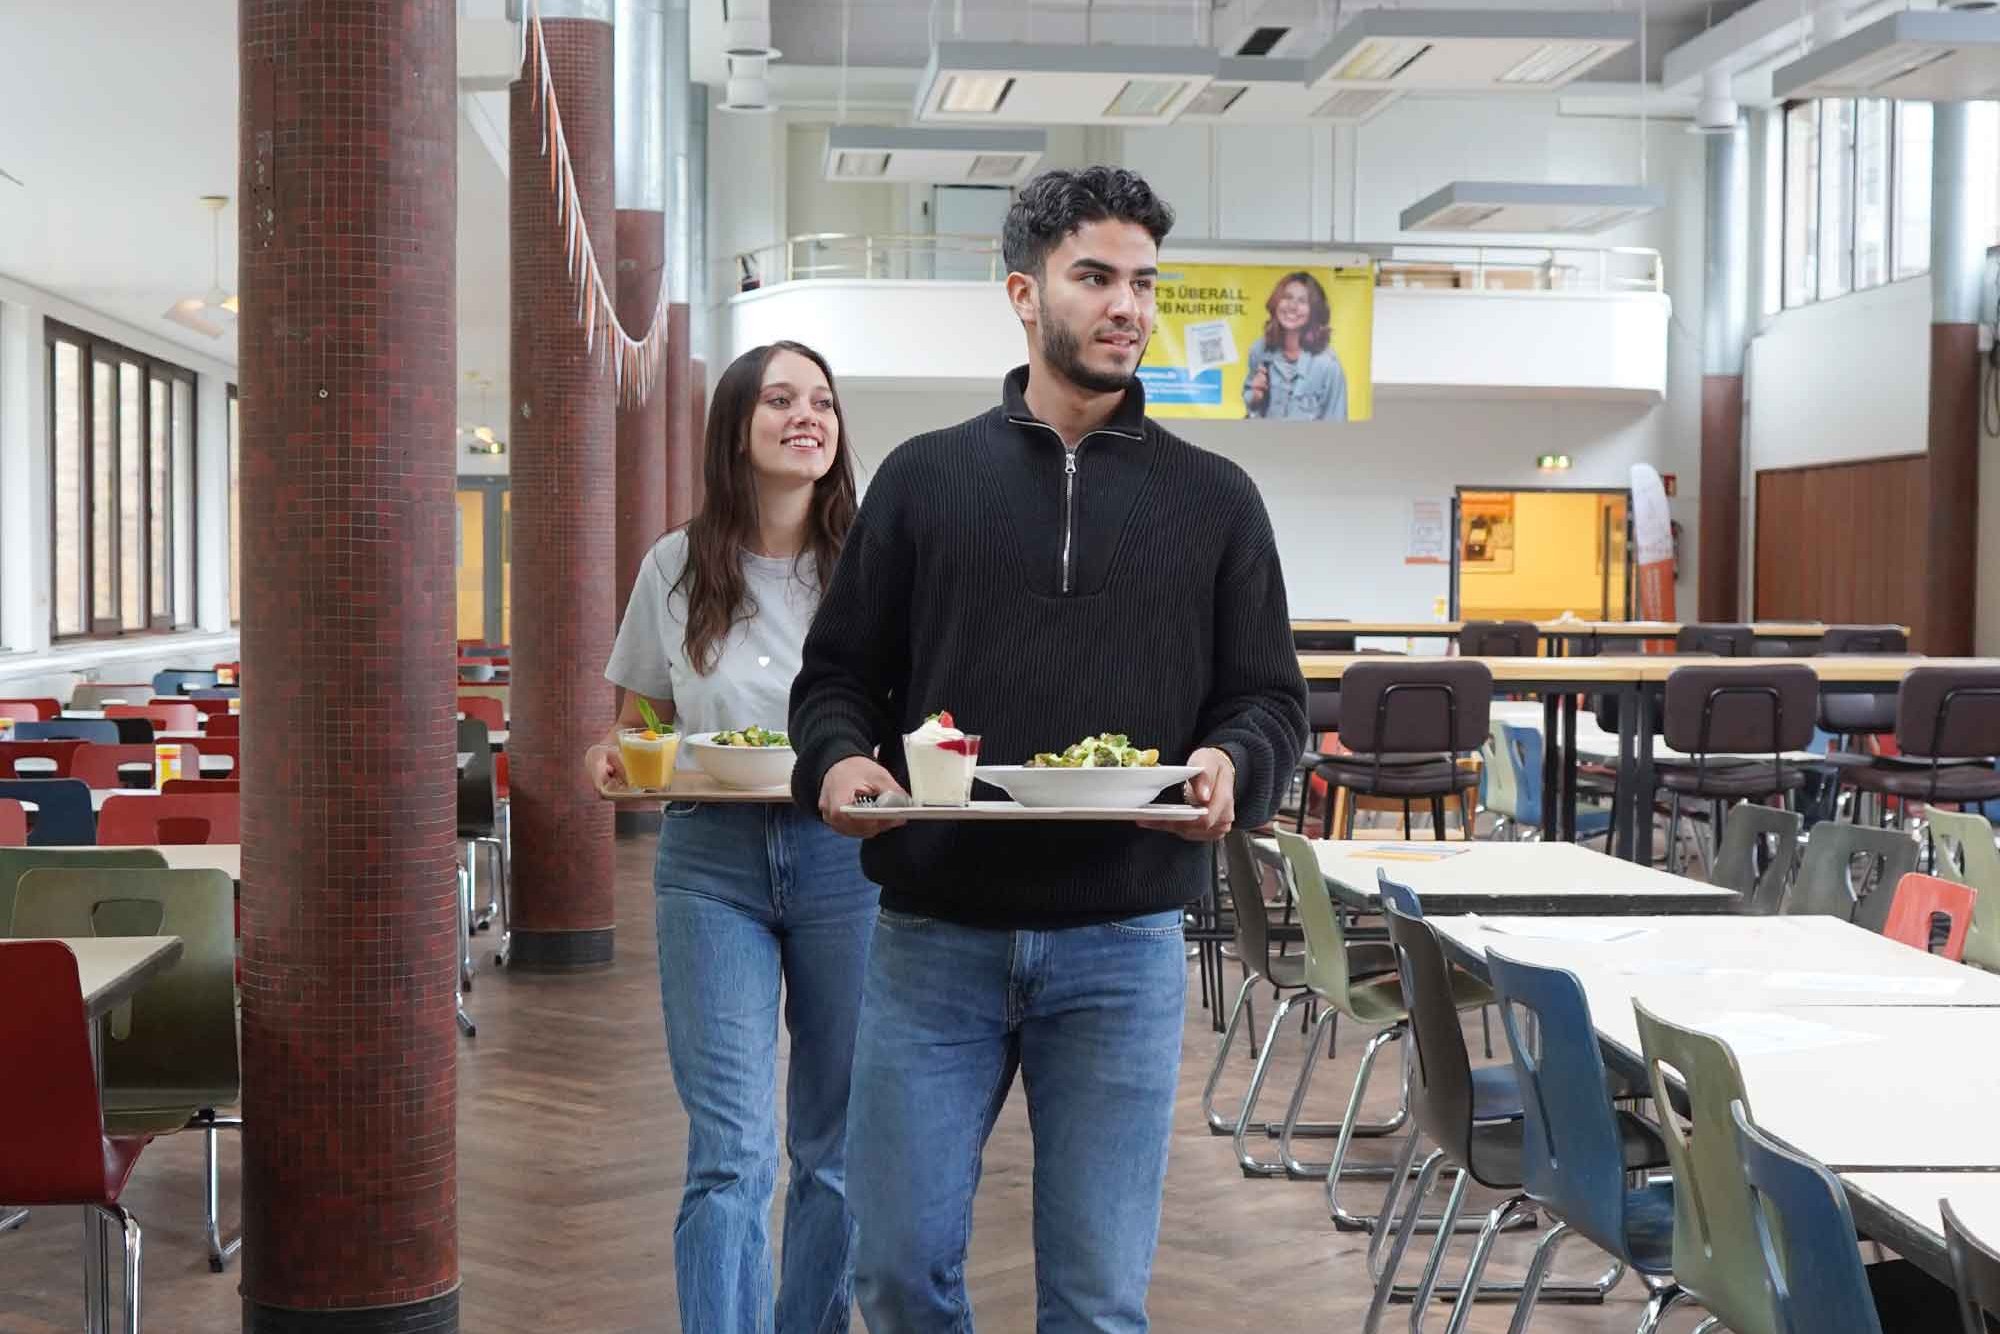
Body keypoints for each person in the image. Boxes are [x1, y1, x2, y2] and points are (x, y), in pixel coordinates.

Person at [789, 166, 1308, 1331]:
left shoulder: (1216, 499)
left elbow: (1269, 701)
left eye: (1143, 282)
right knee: (893, 1273)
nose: (1126, 304)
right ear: (1023, 293)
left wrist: (1233, 763)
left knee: (1095, 1299)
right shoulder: (925, 479)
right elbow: (836, 677)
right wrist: (835, 761)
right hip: (932, 939)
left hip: (1121, 944)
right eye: (1095, 277)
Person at [588, 340, 874, 1333]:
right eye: (781, 399)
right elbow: (641, 722)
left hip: (846, 856)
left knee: (836, 1148)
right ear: (736, 429)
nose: (807, 415)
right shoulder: (674, 563)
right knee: (730, 1149)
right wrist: (620, 757)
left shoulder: (872, 562)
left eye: (822, 402)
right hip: (710, 859)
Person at [1242, 270, 1348, 422]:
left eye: (1302, 301)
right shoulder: (1259, 350)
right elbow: (1251, 410)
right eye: (1287, 297)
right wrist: (1255, 397)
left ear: (1315, 310)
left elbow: (1337, 426)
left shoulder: (1328, 366)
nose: (1292, 306)